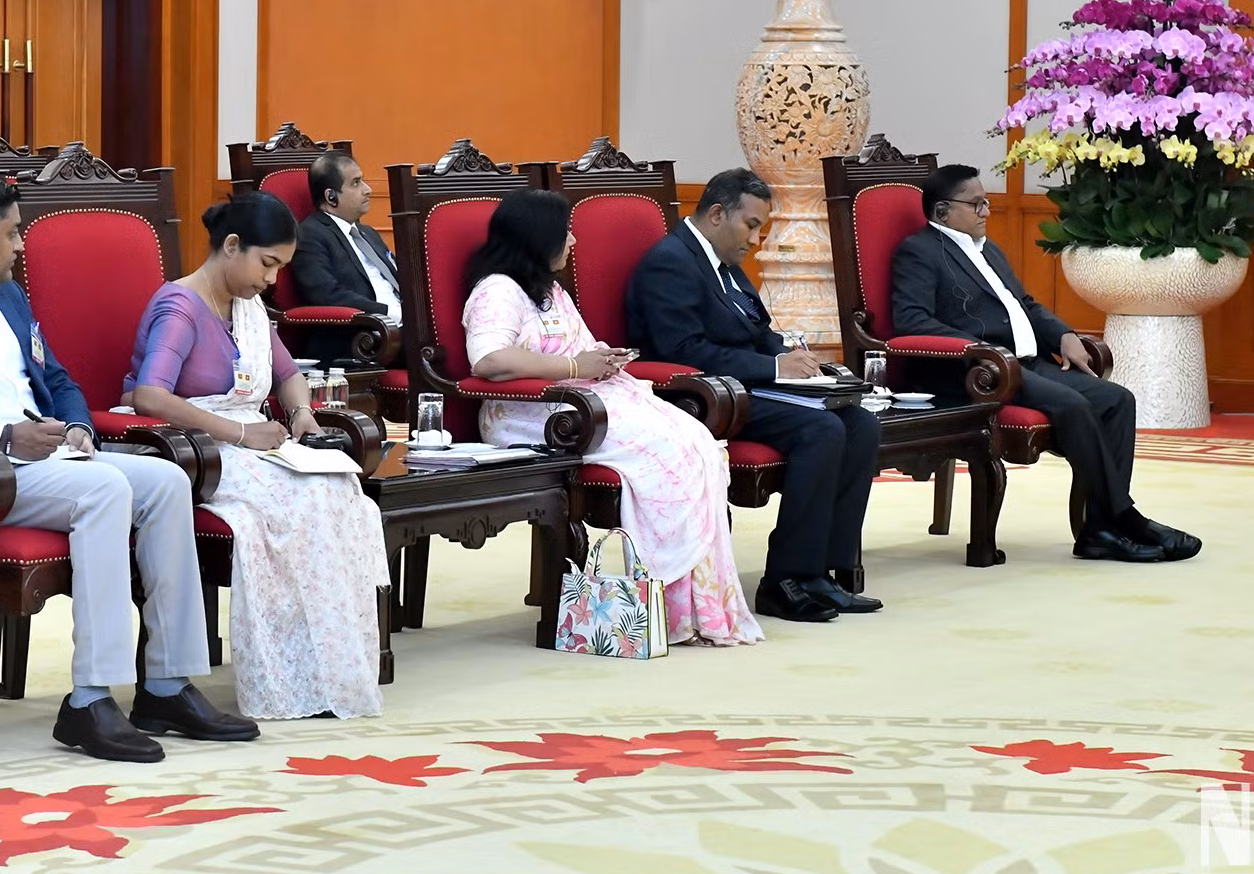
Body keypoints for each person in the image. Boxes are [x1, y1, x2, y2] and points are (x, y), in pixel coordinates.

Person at [0, 173, 257, 763]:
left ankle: (167, 685)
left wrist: (76, 428)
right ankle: (90, 701)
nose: (23, 247)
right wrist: (1, 434)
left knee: (169, 483)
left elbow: (58, 379)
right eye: (14, 235)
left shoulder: (9, 295)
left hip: (45, 456)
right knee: (103, 491)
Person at [125, 191, 385, 720]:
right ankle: (282, 674)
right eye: (267, 265)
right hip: (197, 448)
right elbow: (149, 397)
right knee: (304, 502)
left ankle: (325, 668)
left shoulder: (248, 308)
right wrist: (239, 435)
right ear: (232, 246)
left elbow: (287, 375)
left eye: (280, 269)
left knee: (339, 491)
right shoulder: (180, 307)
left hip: (251, 441)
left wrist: (302, 416)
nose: (271, 281)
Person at [463, 189, 763, 647]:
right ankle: (667, 602)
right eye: (565, 232)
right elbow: (488, 361)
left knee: (697, 442)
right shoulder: (498, 290)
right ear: (538, 236)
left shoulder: (550, 290)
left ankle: (699, 604)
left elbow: (579, 348)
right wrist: (575, 368)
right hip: (532, 414)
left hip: (583, 401)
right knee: (667, 453)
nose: (574, 242)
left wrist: (602, 358)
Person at [889, 163, 1201, 563]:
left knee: (1117, 400)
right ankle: (1122, 520)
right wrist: (982, 350)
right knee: (1074, 406)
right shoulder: (920, 251)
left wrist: (1065, 336)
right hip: (980, 373)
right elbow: (913, 320)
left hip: (1025, 362)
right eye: (977, 204)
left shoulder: (989, 250)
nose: (986, 211)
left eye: (987, 202)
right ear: (942, 212)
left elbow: (1026, 306)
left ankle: (1103, 527)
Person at [625, 168, 882, 624]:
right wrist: (773, 367)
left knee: (859, 422)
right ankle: (785, 580)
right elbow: (682, 351)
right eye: (752, 225)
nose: (756, 239)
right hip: (698, 398)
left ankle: (825, 573)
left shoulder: (727, 265)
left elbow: (758, 333)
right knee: (820, 429)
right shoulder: (671, 261)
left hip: (746, 387)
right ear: (719, 214)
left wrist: (798, 361)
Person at [288, 151, 402, 326]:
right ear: (331, 196)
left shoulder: (368, 233)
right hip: (364, 335)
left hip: (407, 326)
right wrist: (389, 314)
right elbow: (327, 294)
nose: (368, 190)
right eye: (356, 183)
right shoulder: (309, 236)